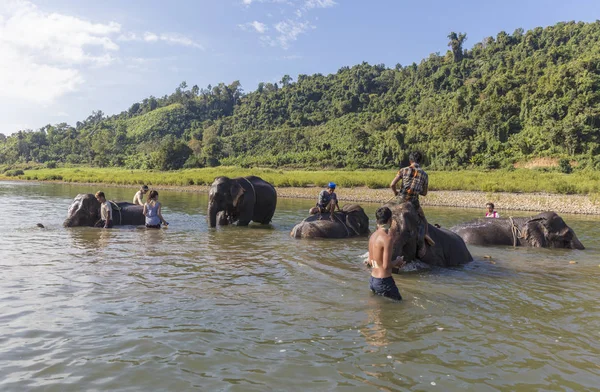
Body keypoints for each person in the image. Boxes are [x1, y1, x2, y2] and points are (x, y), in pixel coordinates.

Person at [390, 151, 432, 258]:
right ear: (420, 161)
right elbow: (424, 193)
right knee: (423, 220)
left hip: (400, 200)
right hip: (413, 203)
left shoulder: (403, 170)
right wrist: (417, 191)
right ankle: (423, 240)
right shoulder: (424, 174)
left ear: (410, 160)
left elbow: (392, 184)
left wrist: (396, 193)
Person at [367, 206, 406, 301]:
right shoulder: (387, 239)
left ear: (377, 220)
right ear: (390, 220)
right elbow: (386, 266)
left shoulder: (373, 236)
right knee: (400, 307)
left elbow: (370, 261)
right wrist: (397, 261)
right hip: (384, 281)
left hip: (372, 280)